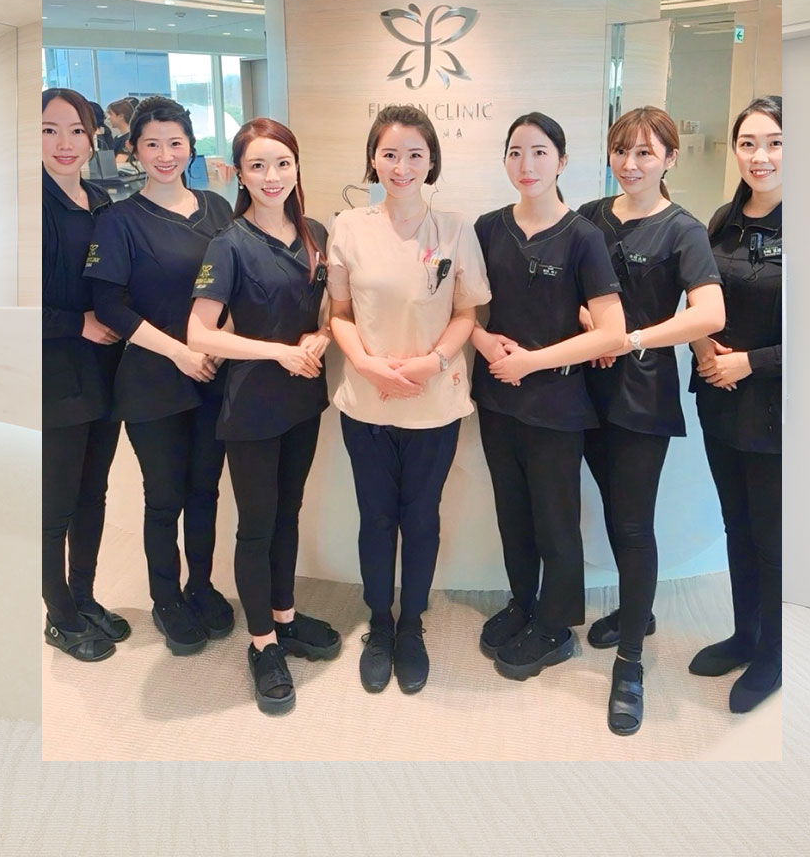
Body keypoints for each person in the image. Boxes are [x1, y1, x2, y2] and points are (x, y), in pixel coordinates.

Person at [327, 104, 491, 694]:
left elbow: (468, 312)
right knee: (376, 518)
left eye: (414, 154)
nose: (401, 166)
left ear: (431, 161)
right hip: (367, 401)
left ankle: (412, 624)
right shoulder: (349, 227)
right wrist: (367, 364)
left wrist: (434, 361)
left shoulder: (454, 228)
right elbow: (339, 313)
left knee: (421, 519)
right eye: (390, 153)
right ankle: (379, 622)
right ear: (373, 159)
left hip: (434, 402)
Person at [578, 105, 725, 736]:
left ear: (669, 158)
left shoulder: (682, 229)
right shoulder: (590, 215)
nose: (630, 164)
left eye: (644, 152)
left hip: (641, 393)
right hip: (585, 388)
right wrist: (593, 324)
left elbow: (709, 314)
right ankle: (638, 611)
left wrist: (632, 338)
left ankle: (631, 662)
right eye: (621, 150)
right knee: (614, 511)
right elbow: (572, 289)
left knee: (633, 522)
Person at [187, 118, 340, 715]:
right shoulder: (228, 244)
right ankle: (262, 645)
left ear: (296, 167)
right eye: (257, 166)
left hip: (303, 398)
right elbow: (200, 333)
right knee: (257, 525)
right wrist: (277, 351)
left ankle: (285, 616)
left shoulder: (314, 232)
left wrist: (322, 336)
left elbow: (324, 310)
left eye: (282, 164)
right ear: (240, 174)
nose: (271, 176)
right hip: (252, 405)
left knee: (288, 514)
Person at [470, 113, 626, 681]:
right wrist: (487, 344)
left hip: (557, 404)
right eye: (516, 152)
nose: (526, 164)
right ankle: (523, 603)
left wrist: (529, 362)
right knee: (512, 513)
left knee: (555, 519)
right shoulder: (488, 228)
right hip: (497, 399)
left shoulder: (583, 237)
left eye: (539, 152)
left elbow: (611, 332)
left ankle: (556, 626)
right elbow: (467, 310)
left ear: (561, 161)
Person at [84, 95, 234, 656]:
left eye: (175, 143)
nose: (165, 154)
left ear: (191, 147)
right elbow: (111, 306)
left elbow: (237, 282)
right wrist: (180, 353)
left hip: (213, 377)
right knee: (165, 496)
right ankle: (166, 598)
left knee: (205, 491)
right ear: (134, 149)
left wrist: (218, 345)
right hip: (153, 379)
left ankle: (202, 585)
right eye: (153, 144)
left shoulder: (216, 210)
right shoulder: (119, 221)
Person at [688, 96, 782, 714]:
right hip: (720, 401)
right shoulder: (724, 218)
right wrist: (702, 346)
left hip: (777, 407)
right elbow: (698, 297)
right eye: (748, 143)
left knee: (772, 535)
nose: (759, 156)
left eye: (774, 142)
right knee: (736, 525)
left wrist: (749, 362)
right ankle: (745, 634)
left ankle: (775, 653)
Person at [42, 87, 128, 661]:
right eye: (49, 130)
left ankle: (84, 595)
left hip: (104, 369)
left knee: (93, 492)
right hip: (55, 373)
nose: (64, 143)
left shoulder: (99, 199)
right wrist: (78, 323)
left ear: (93, 136)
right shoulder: (31, 205)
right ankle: (59, 614)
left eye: (76, 130)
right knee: (56, 504)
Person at [105, 97, 134, 163]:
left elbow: (119, 163)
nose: (108, 118)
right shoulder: (118, 137)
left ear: (121, 116)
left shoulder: (129, 138)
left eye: (110, 114)